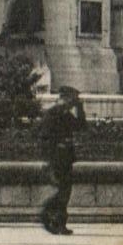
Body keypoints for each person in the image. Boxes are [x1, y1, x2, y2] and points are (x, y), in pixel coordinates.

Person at [38, 84, 86, 236]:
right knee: (63, 190)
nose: (74, 102)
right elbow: (44, 138)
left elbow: (81, 126)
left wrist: (80, 108)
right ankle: (48, 213)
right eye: (73, 99)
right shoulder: (52, 114)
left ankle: (59, 223)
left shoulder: (66, 114)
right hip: (56, 158)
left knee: (66, 190)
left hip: (66, 157)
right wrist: (48, 159)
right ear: (64, 98)